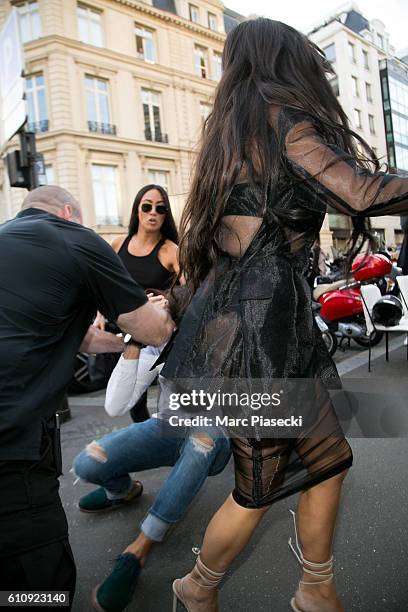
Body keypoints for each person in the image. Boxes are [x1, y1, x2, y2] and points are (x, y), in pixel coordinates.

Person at [159, 18, 408, 612]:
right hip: (257, 338)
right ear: (285, 60)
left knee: (327, 460)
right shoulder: (278, 117)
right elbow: (357, 191)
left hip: (265, 325)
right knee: (260, 486)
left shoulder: (239, 130)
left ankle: (316, 587)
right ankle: (195, 588)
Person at [0, 186, 174, 608]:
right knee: (40, 582)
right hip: (12, 444)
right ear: (68, 213)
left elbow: (84, 337)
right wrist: (159, 323)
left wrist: (124, 344)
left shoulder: (8, 240)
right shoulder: (78, 239)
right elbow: (153, 332)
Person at [73, 287, 231, 612]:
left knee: (201, 441)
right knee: (87, 463)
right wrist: (136, 338)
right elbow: (117, 405)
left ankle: (138, 549)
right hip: (168, 427)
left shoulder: (224, 334)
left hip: (214, 436)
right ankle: (122, 491)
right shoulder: (158, 341)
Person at [94, 184, 179, 423]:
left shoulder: (170, 250)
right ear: (137, 211)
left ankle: (154, 440)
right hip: (117, 332)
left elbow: (192, 291)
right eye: (147, 206)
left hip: (149, 340)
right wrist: (99, 315)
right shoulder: (118, 244)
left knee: (137, 397)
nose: (153, 213)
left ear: (166, 215)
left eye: (160, 209)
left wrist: (166, 303)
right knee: (126, 398)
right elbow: (104, 285)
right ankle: (145, 437)